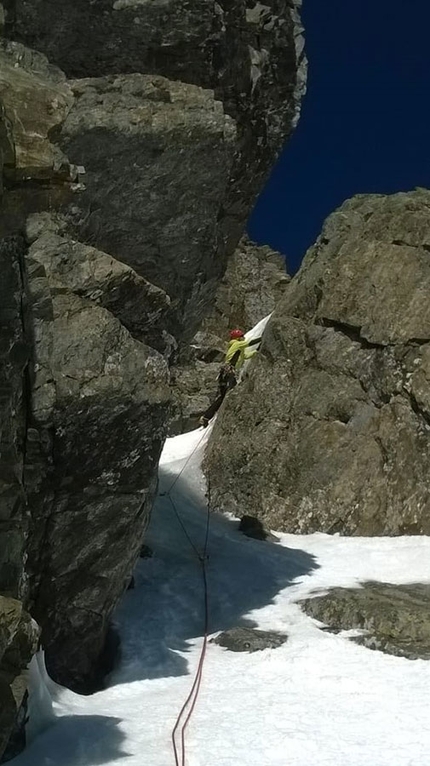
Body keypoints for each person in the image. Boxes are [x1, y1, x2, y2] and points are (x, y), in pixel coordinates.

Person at [199, 329, 261, 427]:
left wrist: (256, 352)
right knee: (233, 392)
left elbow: (245, 356)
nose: (243, 337)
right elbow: (249, 343)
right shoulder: (237, 344)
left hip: (225, 373)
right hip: (229, 373)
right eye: (242, 336)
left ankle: (206, 417)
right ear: (238, 338)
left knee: (223, 396)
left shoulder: (237, 348)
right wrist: (262, 338)